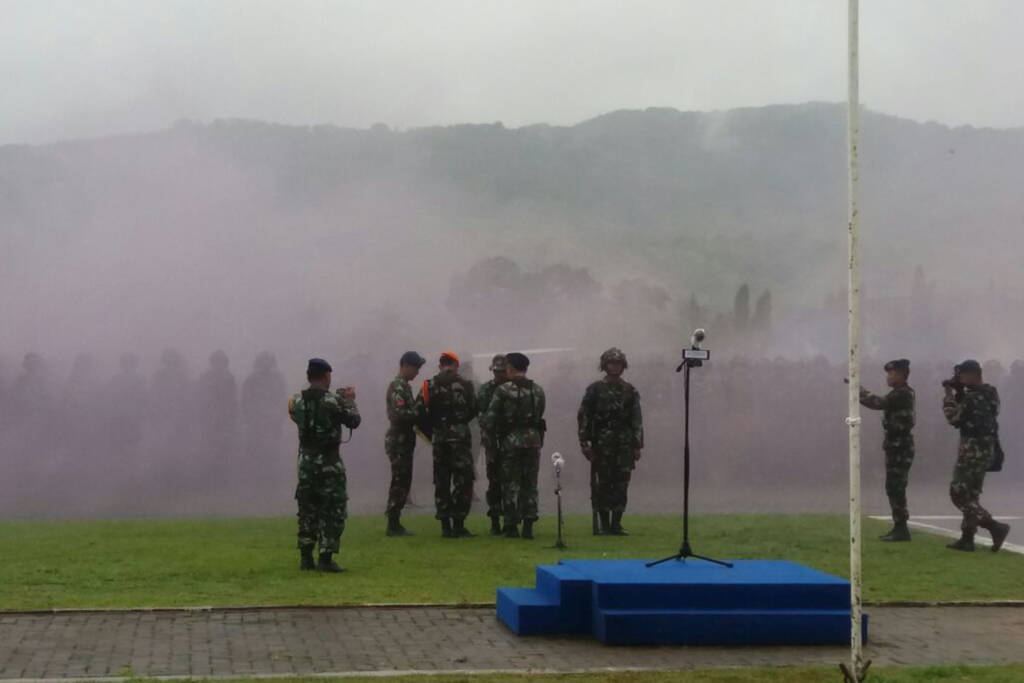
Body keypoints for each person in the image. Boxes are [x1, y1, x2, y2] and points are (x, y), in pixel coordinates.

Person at [288, 358, 361, 572]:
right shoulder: (332, 401)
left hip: (306, 463)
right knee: (332, 509)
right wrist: (349, 400)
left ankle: (306, 557)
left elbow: (296, 415)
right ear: (326, 376)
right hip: (329, 463)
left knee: (307, 510)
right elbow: (353, 420)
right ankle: (326, 558)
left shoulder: (297, 401)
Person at [943, 359, 1011, 552]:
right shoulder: (990, 393)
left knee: (958, 494)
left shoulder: (973, 398)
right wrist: (961, 393)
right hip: (986, 449)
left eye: (964, 375)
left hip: (971, 450)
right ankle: (967, 538)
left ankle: (994, 527)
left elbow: (953, 418)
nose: (961, 379)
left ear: (974, 375)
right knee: (971, 494)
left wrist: (949, 394)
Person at [578, 347, 643, 536]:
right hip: (602, 443)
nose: (615, 367)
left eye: (618, 363)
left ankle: (616, 523)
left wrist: (637, 445)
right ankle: (604, 523)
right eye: (611, 363)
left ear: (623, 366)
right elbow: (584, 417)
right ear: (604, 365)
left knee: (622, 484)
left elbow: (636, 420)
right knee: (602, 484)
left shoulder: (629, 390)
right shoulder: (595, 389)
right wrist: (584, 443)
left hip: (624, 443)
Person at [482, 352, 546, 539]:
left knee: (511, 483)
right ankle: (528, 525)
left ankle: (511, 526)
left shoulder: (502, 391)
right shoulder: (538, 390)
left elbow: (490, 419)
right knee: (530, 484)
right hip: (533, 440)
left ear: (510, 368)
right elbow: (540, 413)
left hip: (511, 440)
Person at [417, 350, 477, 538]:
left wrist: (433, 430)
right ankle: (459, 524)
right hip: (460, 436)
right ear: (456, 365)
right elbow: (474, 409)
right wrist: (459, 423)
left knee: (442, 480)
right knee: (463, 480)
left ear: (440, 365)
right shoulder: (466, 384)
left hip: (440, 437)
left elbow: (418, 410)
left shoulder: (428, 385)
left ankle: (445, 526)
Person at [859, 359, 915, 541]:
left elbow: (876, 402)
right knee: (894, 487)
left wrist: (857, 389)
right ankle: (900, 527)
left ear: (900, 374)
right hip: (896, 446)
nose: (888, 377)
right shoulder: (899, 393)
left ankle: (901, 528)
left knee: (896, 487)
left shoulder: (902, 394)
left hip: (900, 447)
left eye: (891, 374)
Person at [384, 351, 426, 536]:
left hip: (404, 439)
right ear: (406, 365)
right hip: (399, 440)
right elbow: (401, 414)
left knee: (403, 480)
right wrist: (420, 408)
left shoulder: (404, 387)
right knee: (400, 481)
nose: (417, 372)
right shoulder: (397, 387)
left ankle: (395, 521)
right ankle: (393, 523)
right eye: (416, 368)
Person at [477, 354, 509, 536]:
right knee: (494, 483)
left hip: (511, 441)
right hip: (493, 442)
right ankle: (495, 520)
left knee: (511, 483)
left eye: (502, 372)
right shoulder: (486, 390)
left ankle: (510, 520)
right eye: (497, 372)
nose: (499, 375)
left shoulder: (514, 390)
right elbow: (481, 414)